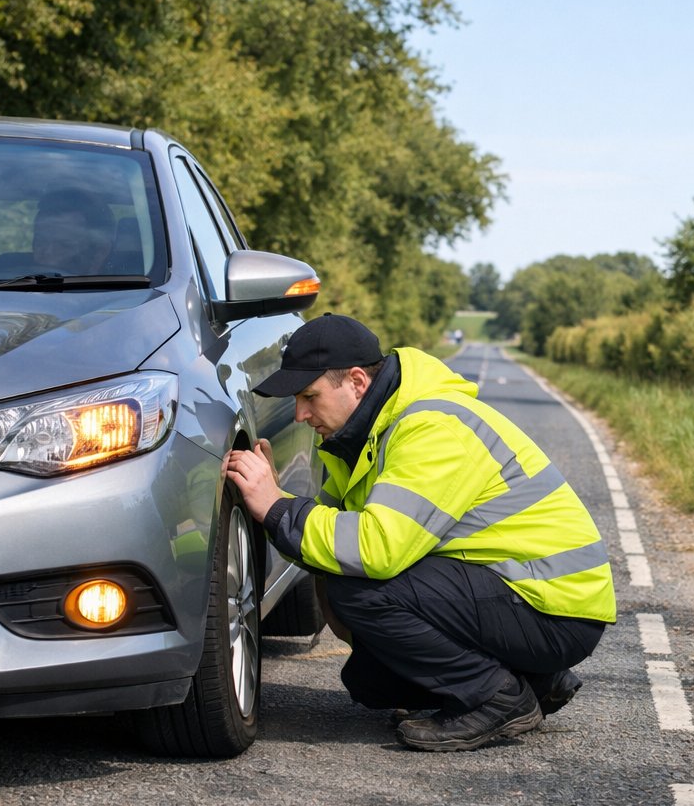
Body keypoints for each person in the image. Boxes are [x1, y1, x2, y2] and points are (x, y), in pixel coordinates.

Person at [222, 313, 616, 752]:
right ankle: (536, 680)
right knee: (370, 681)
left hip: (554, 608)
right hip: (519, 595)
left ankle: (499, 697)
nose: (301, 414)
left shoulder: (430, 426)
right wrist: (276, 506)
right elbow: (330, 547)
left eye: (309, 396)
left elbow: (374, 551)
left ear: (356, 381)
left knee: (360, 594)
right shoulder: (360, 437)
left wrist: (278, 509)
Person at [31, 189, 115, 273]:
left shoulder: (122, 283)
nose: (47, 252)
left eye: (64, 245)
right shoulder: (20, 280)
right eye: (40, 242)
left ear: (100, 253)